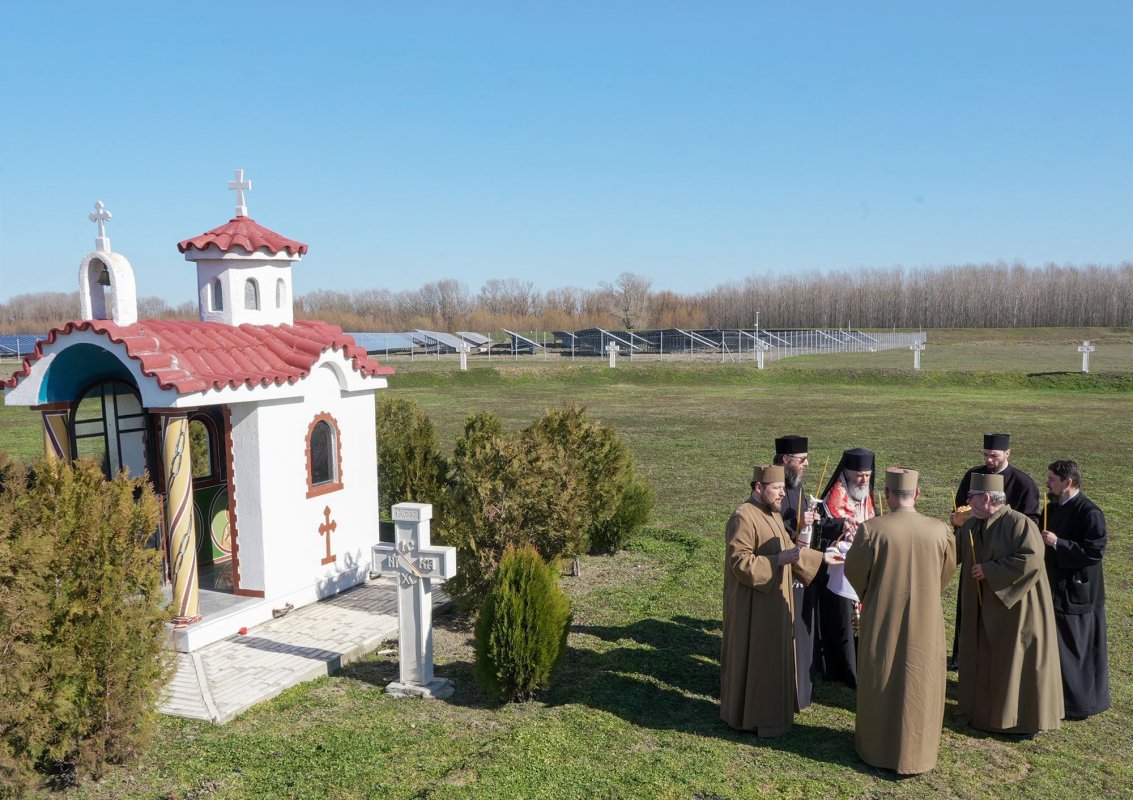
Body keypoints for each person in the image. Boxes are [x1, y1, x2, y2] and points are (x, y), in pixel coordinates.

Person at [844, 468, 956, 775]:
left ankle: (876, 747)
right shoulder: (939, 530)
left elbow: (855, 573)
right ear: (917, 494)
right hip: (927, 620)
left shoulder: (872, 530)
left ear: (888, 495)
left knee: (881, 674)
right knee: (921, 683)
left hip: (882, 614)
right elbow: (945, 573)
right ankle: (918, 752)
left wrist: (874, 592)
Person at [956, 473, 1062, 737]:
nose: (967, 502)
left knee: (1014, 661)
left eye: (971, 497)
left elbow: (1032, 560)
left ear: (987, 498)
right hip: (982, 608)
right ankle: (982, 714)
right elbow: (952, 552)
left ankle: (1019, 722)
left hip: (1017, 609)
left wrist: (990, 570)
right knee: (985, 657)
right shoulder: (972, 525)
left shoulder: (1019, 524)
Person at [720, 464, 823, 736]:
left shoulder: (772, 513)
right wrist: (778, 561)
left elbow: (788, 548)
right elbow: (740, 562)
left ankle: (775, 715)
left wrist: (822, 560)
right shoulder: (743, 516)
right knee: (756, 659)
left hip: (774, 603)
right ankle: (751, 718)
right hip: (753, 606)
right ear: (758, 488)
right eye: (776, 488)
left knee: (773, 658)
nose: (781, 494)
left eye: (782, 488)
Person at [950, 432, 1041, 669]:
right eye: (986, 455)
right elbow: (961, 507)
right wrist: (959, 518)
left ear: (1008, 453)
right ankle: (963, 657)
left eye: (994, 455)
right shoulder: (973, 475)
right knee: (969, 609)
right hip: (975, 550)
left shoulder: (1023, 483)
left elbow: (1030, 523)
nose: (989, 460)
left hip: (1002, 556)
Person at [1041, 459, 1110, 720]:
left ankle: (1078, 704)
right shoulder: (1053, 507)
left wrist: (1059, 543)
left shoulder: (1089, 512)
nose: (1047, 483)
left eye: (1052, 479)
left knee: (1076, 648)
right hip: (1057, 589)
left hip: (1078, 593)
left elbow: (1095, 552)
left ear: (1068, 482)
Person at [815, 448, 876, 689]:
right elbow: (825, 530)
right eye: (859, 475)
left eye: (868, 476)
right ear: (846, 472)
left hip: (862, 562)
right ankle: (844, 667)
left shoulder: (867, 494)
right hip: (839, 567)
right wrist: (843, 528)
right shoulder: (834, 497)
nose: (864, 480)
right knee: (842, 618)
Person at [773, 434, 821, 708]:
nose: (806, 464)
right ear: (785, 460)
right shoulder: (775, 487)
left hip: (800, 565)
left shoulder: (797, 485)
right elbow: (768, 527)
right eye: (801, 460)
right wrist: (795, 520)